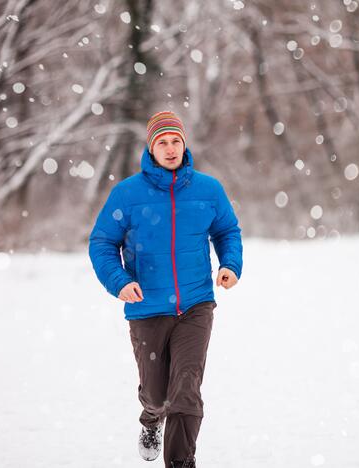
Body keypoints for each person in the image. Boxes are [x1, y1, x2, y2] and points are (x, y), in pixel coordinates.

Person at [89, 111, 243, 468]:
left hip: (196, 305)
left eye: (176, 141)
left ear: (184, 145)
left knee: (186, 390)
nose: (171, 149)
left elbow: (227, 231)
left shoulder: (208, 189)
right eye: (163, 142)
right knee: (158, 395)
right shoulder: (127, 194)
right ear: (151, 148)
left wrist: (230, 265)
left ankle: (180, 462)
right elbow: (101, 243)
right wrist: (120, 281)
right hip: (147, 308)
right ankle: (150, 417)